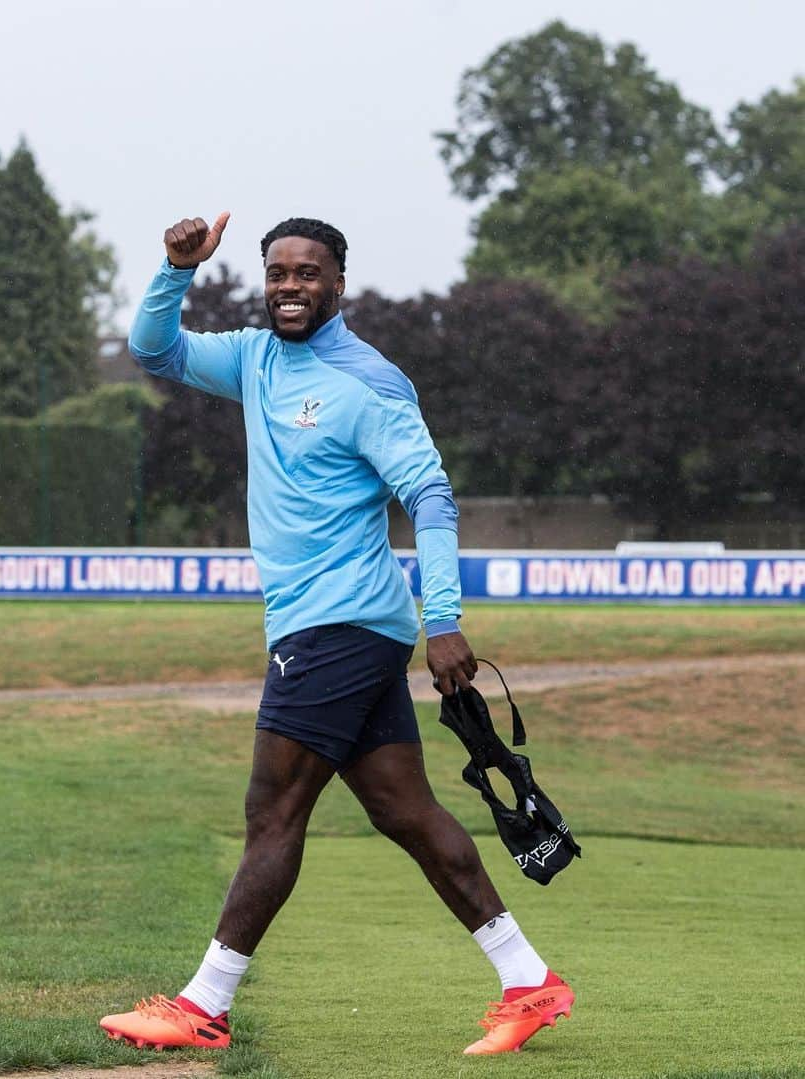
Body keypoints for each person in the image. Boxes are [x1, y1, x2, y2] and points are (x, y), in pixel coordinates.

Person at [99, 213, 573, 1057]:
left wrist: (448, 620)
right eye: (277, 272)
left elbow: (431, 497)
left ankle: (203, 1005)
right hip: (336, 627)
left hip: (338, 626)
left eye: (307, 273)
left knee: (272, 809)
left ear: (338, 282)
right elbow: (153, 351)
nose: (290, 286)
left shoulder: (370, 382)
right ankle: (530, 982)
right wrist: (176, 270)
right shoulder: (251, 358)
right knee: (406, 811)